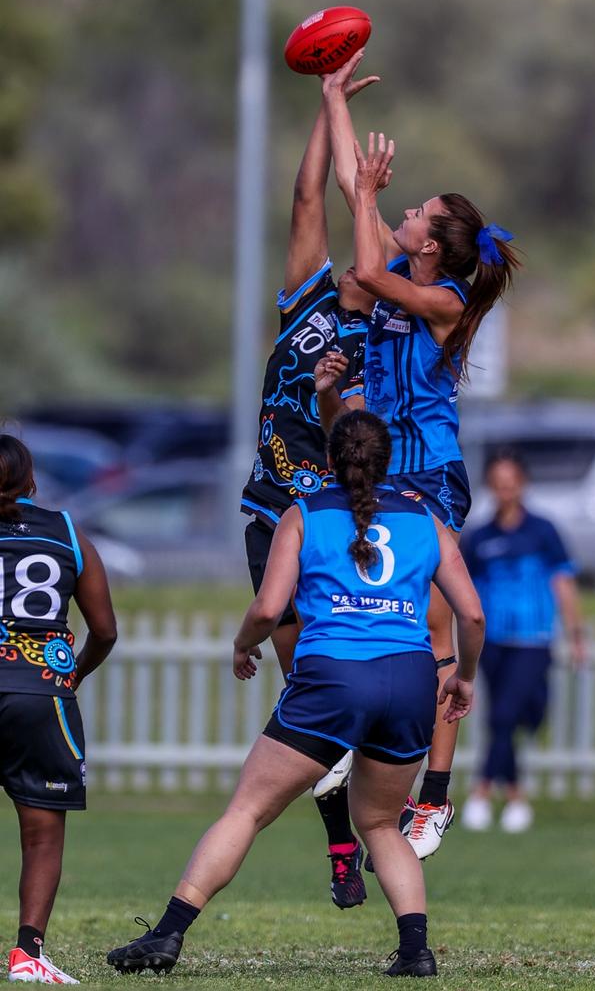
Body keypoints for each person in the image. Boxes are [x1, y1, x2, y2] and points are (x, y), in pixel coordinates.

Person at [107, 410, 484, 980]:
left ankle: (167, 934)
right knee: (381, 824)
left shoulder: (303, 513)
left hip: (334, 675)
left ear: (329, 461)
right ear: (388, 463)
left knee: (249, 809)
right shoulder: (427, 519)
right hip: (411, 678)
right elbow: (472, 613)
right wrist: (465, 677)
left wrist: (242, 644)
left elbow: (267, 608)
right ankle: (415, 951)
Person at [315, 51, 520, 859]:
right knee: (370, 615)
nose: (404, 212)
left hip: (428, 470)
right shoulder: (403, 267)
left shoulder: (441, 299)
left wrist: (367, 196)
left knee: (435, 627)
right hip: (381, 462)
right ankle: (356, 752)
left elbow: (362, 255)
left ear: (433, 249)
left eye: (418, 213)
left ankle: (432, 799)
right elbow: (348, 188)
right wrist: (331, 94)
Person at [239, 75, 382, 908]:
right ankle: (340, 844)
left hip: (330, 522)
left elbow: (353, 430)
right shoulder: (309, 298)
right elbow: (305, 197)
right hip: (269, 510)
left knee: (328, 681)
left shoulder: (380, 333)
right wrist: (326, 102)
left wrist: (335, 396)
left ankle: (369, 823)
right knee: (304, 687)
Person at [0, 434, 117, 984]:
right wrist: (66, 675)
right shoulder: (67, 531)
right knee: (41, 832)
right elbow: (104, 630)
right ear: (32, 483)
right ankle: (28, 954)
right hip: (40, 695)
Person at [460, 449, 585, 832]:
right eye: (497, 484)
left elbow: (563, 583)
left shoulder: (543, 532)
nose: (504, 491)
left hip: (533, 639)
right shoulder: (479, 538)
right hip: (493, 641)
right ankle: (510, 796)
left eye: (510, 483)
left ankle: (483, 791)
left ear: (523, 485)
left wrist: (576, 632)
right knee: (502, 719)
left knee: (518, 715)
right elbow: (464, 595)